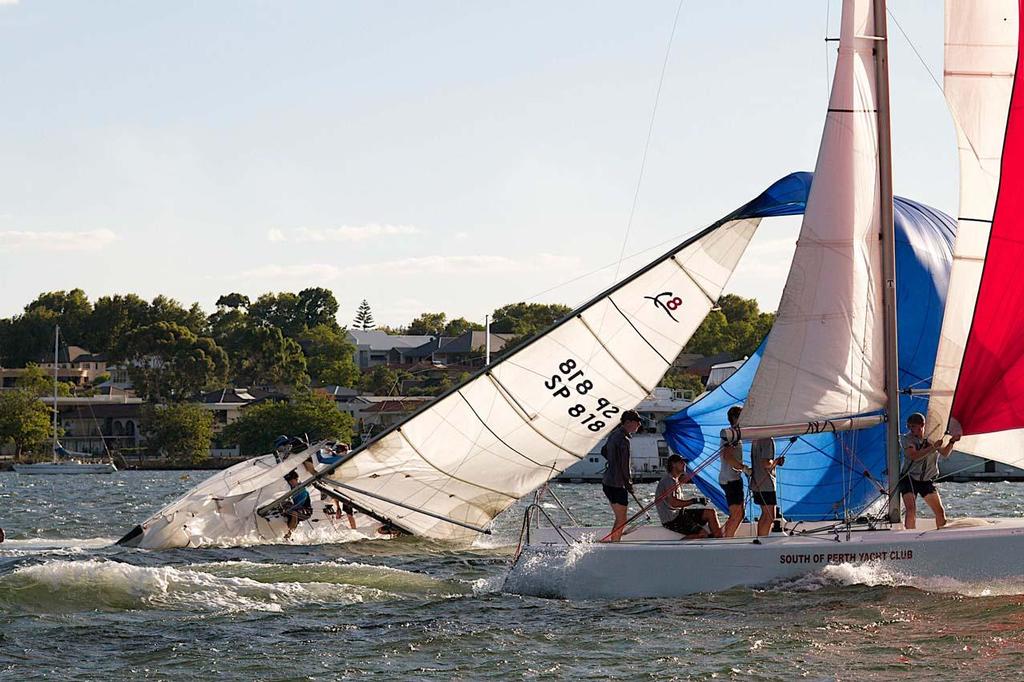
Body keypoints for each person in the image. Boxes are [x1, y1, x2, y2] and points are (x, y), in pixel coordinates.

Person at [900, 412, 959, 529]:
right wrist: (933, 447)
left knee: (940, 511)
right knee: (911, 509)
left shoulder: (933, 438)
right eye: (909, 426)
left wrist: (952, 442)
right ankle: (909, 536)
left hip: (926, 480)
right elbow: (914, 456)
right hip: (909, 478)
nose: (910, 429)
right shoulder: (907, 439)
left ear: (922, 426)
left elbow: (945, 453)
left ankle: (941, 535)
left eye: (913, 426)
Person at [655, 454, 722, 539]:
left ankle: (719, 538)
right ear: (673, 464)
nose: (684, 464)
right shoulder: (668, 480)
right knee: (703, 534)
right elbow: (674, 503)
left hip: (680, 514)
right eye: (681, 462)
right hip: (672, 520)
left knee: (710, 513)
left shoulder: (675, 480)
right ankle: (679, 546)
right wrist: (695, 501)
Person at [602, 410, 643, 542]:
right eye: (637, 422)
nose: (639, 425)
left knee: (620, 518)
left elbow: (604, 451)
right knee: (622, 519)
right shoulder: (624, 440)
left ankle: (615, 541)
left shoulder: (613, 435)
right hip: (617, 484)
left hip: (607, 482)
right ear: (628, 422)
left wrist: (612, 461)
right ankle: (615, 544)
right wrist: (629, 484)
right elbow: (624, 466)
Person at [303, 441, 357, 529]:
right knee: (337, 497)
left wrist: (316, 450)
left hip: (344, 487)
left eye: (338, 450)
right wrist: (330, 451)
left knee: (348, 512)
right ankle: (339, 509)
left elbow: (322, 460)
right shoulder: (344, 457)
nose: (336, 451)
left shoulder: (339, 459)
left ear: (343, 451)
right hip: (341, 485)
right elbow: (336, 455)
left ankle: (353, 529)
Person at [720, 405, 751, 537]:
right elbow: (727, 456)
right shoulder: (731, 435)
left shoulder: (735, 435)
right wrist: (744, 468)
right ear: (734, 418)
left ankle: (722, 535)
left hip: (733, 479)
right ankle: (727, 541)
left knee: (739, 513)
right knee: (737, 514)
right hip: (730, 480)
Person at [750, 436, 785, 536]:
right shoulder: (767, 439)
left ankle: (761, 537)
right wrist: (777, 462)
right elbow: (766, 463)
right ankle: (762, 539)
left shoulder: (755, 439)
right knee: (770, 516)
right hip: (766, 483)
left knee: (765, 514)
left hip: (757, 482)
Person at [282, 469, 313, 540]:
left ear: (296, 479)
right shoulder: (289, 488)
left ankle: (290, 533)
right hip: (293, 509)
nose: (291, 483)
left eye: (292, 481)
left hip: (306, 511)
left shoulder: (302, 490)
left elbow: (299, 505)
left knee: (294, 513)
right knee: (290, 511)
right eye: (289, 481)